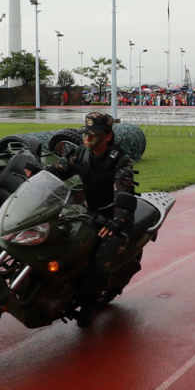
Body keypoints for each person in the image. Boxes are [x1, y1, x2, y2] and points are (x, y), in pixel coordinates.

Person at [48, 112, 140, 312]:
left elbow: (124, 191)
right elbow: (57, 170)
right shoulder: (80, 153)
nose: (87, 138)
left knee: (98, 262)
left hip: (112, 217)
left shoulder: (119, 160)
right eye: (85, 133)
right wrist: (36, 175)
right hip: (87, 212)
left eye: (93, 134)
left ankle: (88, 303)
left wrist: (118, 220)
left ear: (107, 136)